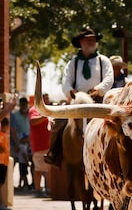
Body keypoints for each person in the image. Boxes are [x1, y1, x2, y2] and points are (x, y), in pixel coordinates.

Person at [45, 26, 114, 167]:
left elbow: (109, 78)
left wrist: (99, 89)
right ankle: (53, 152)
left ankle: (116, 156)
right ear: (81, 42)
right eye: (88, 40)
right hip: (77, 102)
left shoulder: (103, 61)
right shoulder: (73, 62)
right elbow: (65, 81)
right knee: (58, 122)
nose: (91, 42)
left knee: (115, 125)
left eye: (93, 40)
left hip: (97, 101)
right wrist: (71, 92)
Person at [28, 95, 51, 197]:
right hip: (39, 145)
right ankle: (38, 190)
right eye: (45, 99)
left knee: (48, 169)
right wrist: (45, 115)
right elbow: (33, 121)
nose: (48, 100)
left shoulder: (50, 110)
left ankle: (48, 189)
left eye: (48, 99)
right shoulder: (34, 109)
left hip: (49, 144)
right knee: (39, 169)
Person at [10, 97, 32, 190]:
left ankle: (25, 182)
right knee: (15, 164)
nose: (24, 105)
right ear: (20, 104)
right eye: (22, 104)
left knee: (26, 164)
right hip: (17, 143)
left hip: (29, 143)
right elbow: (13, 131)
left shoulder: (30, 115)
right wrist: (17, 144)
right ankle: (13, 184)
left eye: (25, 104)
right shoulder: (15, 115)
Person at [0, 117, 11, 210]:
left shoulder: (3, 135)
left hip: (4, 162)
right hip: (1, 162)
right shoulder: (1, 135)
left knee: (1, 183)